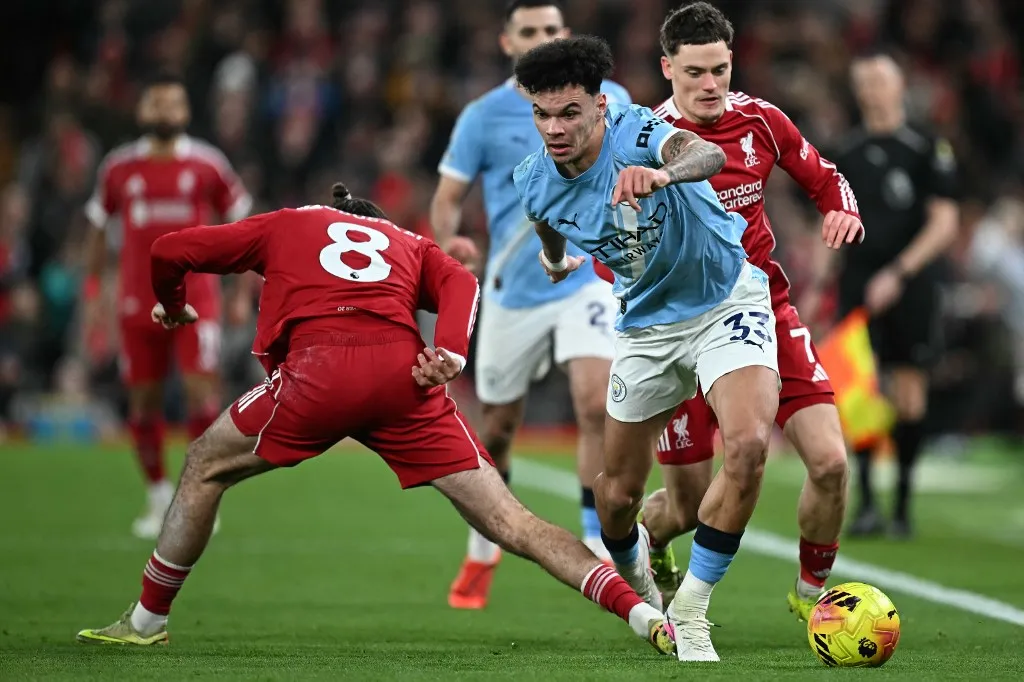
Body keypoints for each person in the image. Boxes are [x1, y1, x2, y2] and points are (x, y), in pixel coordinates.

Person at [75, 184, 675, 657]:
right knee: (511, 521)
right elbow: (462, 281)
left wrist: (174, 305)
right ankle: (640, 612)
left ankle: (147, 619)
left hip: (319, 372)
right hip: (404, 379)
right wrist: (451, 354)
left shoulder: (289, 222)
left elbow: (167, 250)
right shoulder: (408, 243)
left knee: (206, 463)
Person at [517, 35, 833, 663]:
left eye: (570, 113)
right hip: (648, 330)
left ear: (600, 108)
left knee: (746, 446)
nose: (556, 127)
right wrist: (557, 263)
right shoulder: (533, 180)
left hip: (727, 298)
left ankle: (691, 609)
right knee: (616, 497)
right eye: (543, 114)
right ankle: (638, 579)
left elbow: (706, 155)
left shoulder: (637, 130)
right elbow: (547, 223)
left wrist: (661, 172)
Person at [635, 2, 864, 620]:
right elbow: (616, 245)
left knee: (831, 463)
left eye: (721, 70)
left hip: (763, 310)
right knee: (684, 507)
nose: (711, 85)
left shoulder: (760, 121)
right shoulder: (644, 141)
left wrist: (841, 210)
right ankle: (649, 542)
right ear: (667, 69)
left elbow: (826, 177)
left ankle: (813, 599)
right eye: (696, 73)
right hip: (679, 328)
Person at [430, 0, 631, 609]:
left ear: (565, 36)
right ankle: (485, 542)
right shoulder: (482, 116)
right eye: (529, 32)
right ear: (506, 41)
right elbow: (447, 197)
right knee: (498, 428)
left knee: (596, 402)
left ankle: (596, 540)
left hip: (589, 276)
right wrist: (448, 242)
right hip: (513, 287)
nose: (541, 38)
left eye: (550, 30)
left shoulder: (609, 98)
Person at [82, 72, 252, 539]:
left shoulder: (207, 164)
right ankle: (159, 497)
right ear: (142, 112)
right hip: (137, 303)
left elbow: (242, 224)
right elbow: (97, 230)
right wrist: (95, 292)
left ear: (185, 112)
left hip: (197, 299)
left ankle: (201, 497)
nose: (163, 112)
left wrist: (239, 290)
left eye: (171, 104)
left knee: (202, 396)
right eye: (155, 104)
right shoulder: (118, 169)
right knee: (143, 401)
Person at [829, 53, 958, 538]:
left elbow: (944, 223)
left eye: (880, 79)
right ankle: (865, 503)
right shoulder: (844, 150)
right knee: (858, 388)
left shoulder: (926, 146)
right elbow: (831, 221)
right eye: (863, 81)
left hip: (912, 282)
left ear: (900, 85)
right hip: (857, 279)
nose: (872, 89)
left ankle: (902, 505)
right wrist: (823, 280)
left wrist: (899, 273)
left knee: (908, 387)